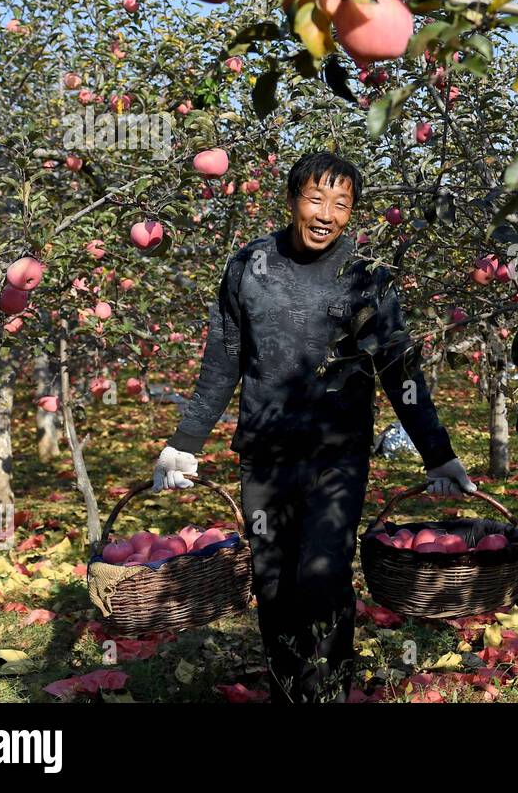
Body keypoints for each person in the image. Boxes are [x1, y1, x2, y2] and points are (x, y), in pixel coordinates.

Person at [152, 151, 475, 703]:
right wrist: (185, 442)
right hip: (264, 451)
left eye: (341, 203)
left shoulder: (369, 279)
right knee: (272, 580)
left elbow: (399, 370)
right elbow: (223, 359)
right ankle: (287, 688)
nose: (326, 213)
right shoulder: (248, 266)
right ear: (291, 200)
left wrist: (437, 453)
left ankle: (325, 691)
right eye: (315, 198)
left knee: (323, 573)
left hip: (338, 455)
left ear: (352, 213)